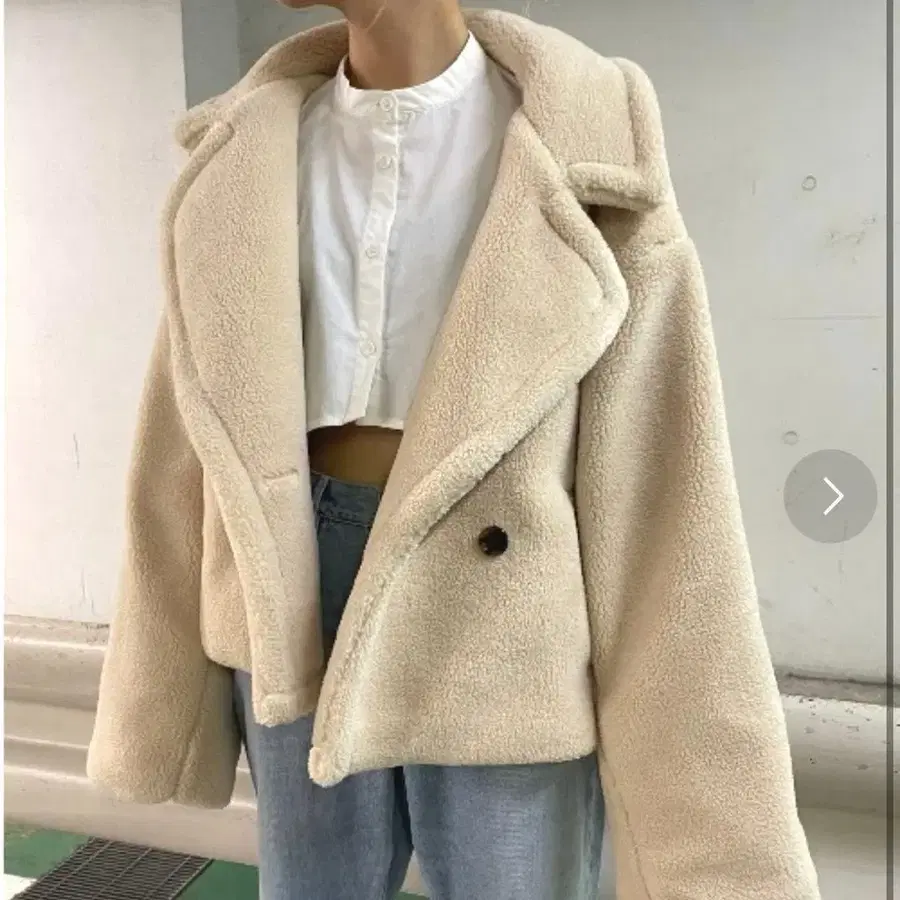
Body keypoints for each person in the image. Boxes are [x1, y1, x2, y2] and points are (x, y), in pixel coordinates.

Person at [87, 2, 822, 898]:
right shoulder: (254, 146)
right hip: (289, 581)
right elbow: (182, 444)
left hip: (499, 611)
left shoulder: (578, 146)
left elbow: (664, 486)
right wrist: (155, 701)